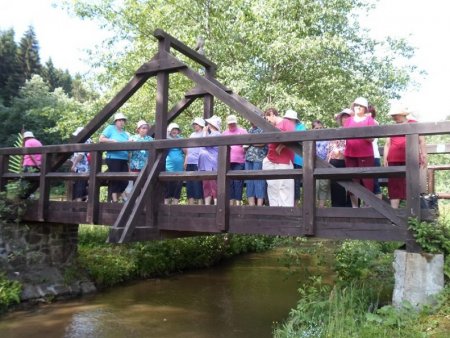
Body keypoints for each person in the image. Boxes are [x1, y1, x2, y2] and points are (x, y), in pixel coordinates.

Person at [384, 106, 427, 208]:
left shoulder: (413, 123)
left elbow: (422, 140)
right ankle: (394, 213)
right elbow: (387, 143)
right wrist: (385, 158)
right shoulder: (392, 127)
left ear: (402, 114)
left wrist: (424, 154)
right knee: (394, 186)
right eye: (392, 115)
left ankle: (412, 213)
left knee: (411, 184)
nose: (393, 117)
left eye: (395, 115)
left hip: (411, 158)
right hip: (393, 159)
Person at [343, 97, 377, 207]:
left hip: (365, 154)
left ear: (365, 108)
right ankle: (355, 207)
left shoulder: (369, 120)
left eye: (361, 106)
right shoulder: (348, 120)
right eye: (356, 105)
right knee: (352, 181)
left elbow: (372, 138)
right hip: (350, 154)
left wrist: (361, 134)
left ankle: (368, 206)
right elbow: (344, 136)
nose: (358, 107)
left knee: (367, 181)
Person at [262, 108, 296, 207]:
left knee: (284, 187)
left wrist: (282, 145)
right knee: (272, 186)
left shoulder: (286, 122)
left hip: (283, 160)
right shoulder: (272, 126)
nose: (267, 121)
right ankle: (274, 210)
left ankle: (286, 212)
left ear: (272, 114)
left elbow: (292, 135)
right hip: (271, 159)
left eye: (267, 118)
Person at [99, 112, 130, 202]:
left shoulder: (125, 134)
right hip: (113, 158)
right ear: (115, 121)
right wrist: (112, 140)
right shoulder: (110, 128)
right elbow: (101, 139)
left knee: (125, 181)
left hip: (124, 159)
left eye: (123, 120)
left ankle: (117, 198)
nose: (121, 122)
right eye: (119, 120)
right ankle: (114, 201)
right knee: (116, 179)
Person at [327, 109, 352, 207]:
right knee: (337, 185)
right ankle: (337, 207)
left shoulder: (356, 129)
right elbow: (332, 148)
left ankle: (352, 208)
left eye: (347, 117)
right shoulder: (336, 131)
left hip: (350, 159)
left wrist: (342, 153)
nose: (345, 119)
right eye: (343, 117)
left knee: (353, 185)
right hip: (337, 161)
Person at [222, 115, 247, 206]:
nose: (232, 125)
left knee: (238, 182)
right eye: (230, 124)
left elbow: (247, 144)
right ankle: (230, 203)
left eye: (233, 123)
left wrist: (244, 147)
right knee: (229, 182)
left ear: (236, 122)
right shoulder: (224, 133)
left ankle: (238, 203)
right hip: (228, 161)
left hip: (239, 160)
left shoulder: (242, 131)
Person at [283, 109, 307, 204]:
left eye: (290, 118)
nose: (288, 120)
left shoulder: (301, 127)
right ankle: (287, 204)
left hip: (297, 159)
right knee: (286, 183)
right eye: (287, 118)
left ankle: (295, 205)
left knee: (296, 184)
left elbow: (300, 140)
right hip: (286, 159)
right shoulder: (284, 126)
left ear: (295, 119)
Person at [198, 115, 222, 205]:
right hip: (206, 163)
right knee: (207, 184)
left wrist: (204, 132)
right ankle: (207, 204)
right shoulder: (212, 134)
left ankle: (215, 203)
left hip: (211, 163)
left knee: (212, 184)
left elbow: (204, 143)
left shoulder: (216, 134)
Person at [244, 120, 267, 206]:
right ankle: (251, 204)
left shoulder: (263, 129)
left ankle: (259, 204)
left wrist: (251, 143)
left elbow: (262, 143)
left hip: (259, 158)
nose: (251, 122)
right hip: (248, 158)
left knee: (259, 180)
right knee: (249, 180)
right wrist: (253, 143)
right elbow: (245, 144)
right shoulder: (249, 130)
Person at [185, 117, 205, 205]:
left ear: (200, 125)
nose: (194, 126)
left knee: (198, 183)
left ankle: (200, 203)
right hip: (190, 160)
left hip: (198, 161)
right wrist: (186, 160)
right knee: (189, 183)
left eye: (196, 124)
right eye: (194, 124)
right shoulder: (192, 135)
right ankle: (190, 203)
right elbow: (188, 149)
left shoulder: (204, 134)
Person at [164, 123, 186, 205]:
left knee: (178, 184)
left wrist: (185, 162)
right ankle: (166, 203)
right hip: (168, 166)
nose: (174, 131)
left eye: (176, 129)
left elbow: (186, 151)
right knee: (168, 184)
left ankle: (175, 203)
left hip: (179, 167)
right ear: (169, 130)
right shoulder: (166, 139)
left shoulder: (181, 139)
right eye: (173, 129)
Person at [70, 127, 92, 202]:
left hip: (81, 168)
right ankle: (86, 202)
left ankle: (78, 208)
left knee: (79, 188)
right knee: (86, 187)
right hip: (88, 167)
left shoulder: (82, 140)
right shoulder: (89, 140)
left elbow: (80, 154)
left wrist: (74, 165)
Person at [312, 120, 330, 207]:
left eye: (320, 128)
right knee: (314, 185)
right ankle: (313, 206)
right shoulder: (310, 139)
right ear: (312, 129)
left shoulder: (327, 139)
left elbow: (329, 151)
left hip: (324, 164)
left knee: (324, 185)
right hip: (313, 165)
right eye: (316, 128)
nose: (319, 130)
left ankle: (321, 207)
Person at [367, 105, 382, 199]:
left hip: (373, 156)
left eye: (369, 112)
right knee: (366, 183)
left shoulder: (374, 122)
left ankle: (378, 208)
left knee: (374, 183)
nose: (367, 114)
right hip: (364, 155)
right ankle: (368, 206)